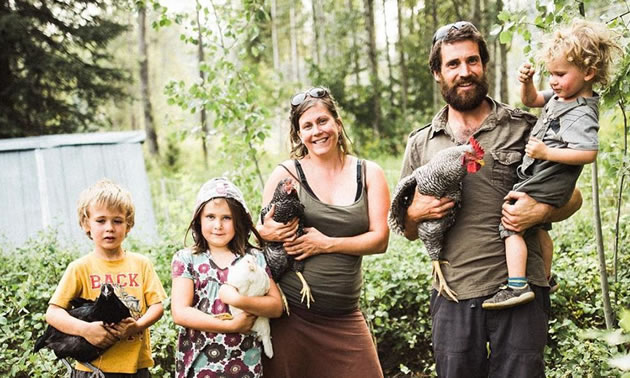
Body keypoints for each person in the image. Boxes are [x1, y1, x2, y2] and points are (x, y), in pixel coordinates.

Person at [399, 21, 582, 376]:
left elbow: (572, 197)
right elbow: (405, 229)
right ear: (437, 73)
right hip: (452, 295)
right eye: (453, 64)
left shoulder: (524, 127)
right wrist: (417, 212)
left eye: (472, 61)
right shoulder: (421, 143)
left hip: (519, 292)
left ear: (484, 64)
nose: (464, 72)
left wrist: (539, 210)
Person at [483, 20, 620, 310]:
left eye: (559, 74)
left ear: (588, 73)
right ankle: (545, 277)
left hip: (551, 175)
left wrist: (546, 152)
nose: (553, 81)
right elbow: (531, 100)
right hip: (543, 172)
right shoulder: (562, 96)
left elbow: (588, 153)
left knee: (512, 222)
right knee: (539, 227)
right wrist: (526, 82)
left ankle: (516, 286)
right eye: (550, 75)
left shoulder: (582, 112)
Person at [258, 87, 390, 377]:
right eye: (307, 126)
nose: (317, 131)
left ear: (338, 124)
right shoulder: (286, 174)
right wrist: (267, 231)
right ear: (298, 135)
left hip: (345, 317)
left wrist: (326, 244)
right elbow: (258, 234)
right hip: (290, 316)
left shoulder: (369, 173)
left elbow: (380, 239)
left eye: (322, 121)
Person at [45, 179, 167, 377]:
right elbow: (53, 313)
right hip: (93, 370)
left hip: (136, 368)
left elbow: (157, 307)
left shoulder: (141, 264)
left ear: (128, 225)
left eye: (117, 221)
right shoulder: (79, 268)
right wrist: (85, 330)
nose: (109, 227)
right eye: (101, 221)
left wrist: (137, 326)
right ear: (87, 225)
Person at [170, 177, 283, 378]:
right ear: (199, 220)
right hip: (200, 364)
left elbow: (276, 306)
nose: (218, 225)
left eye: (226, 218)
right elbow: (180, 312)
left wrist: (239, 301)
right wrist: (229, 326)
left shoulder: (253, 258)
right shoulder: (187, 259)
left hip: (244, 362)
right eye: (210, 217)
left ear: (239, 220)